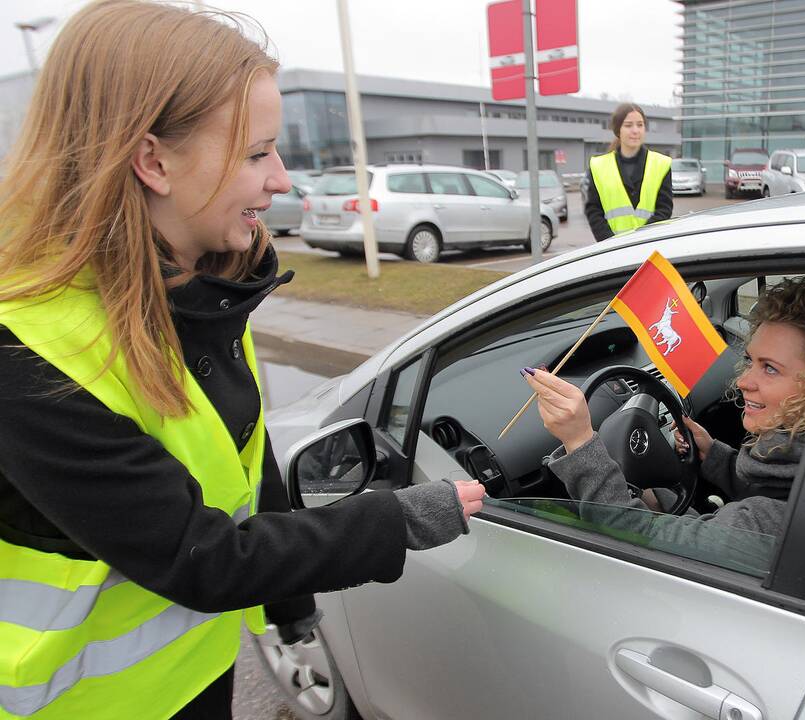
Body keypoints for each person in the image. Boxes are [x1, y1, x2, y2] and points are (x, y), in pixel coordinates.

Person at [0, 3, 485, 718]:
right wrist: (391, 521)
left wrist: (290, 605)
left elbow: (245, 463)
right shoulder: (29, 355)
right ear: (153, 161)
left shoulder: (198, 294)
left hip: (196, 677)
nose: (284, 180)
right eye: (257, 153)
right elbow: (198, 555)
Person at [522, 276, 805, 537]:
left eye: (770, 368)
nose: (743, 382)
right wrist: (714, 456)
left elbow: (630, 539)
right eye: (750, 360)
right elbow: (770, 484)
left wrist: (580, 441)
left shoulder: (768, 524)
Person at [585, 102, 674, 242]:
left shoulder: (661, 164)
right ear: (617, 130)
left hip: (649, 247)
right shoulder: (599, 166)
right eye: (628, 125)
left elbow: (664, 209)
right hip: (612, 250)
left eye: (640, 125)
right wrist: (610, 243)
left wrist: (641, 240)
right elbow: (594, 210)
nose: (635, 130)